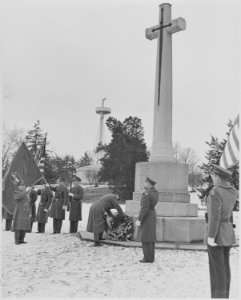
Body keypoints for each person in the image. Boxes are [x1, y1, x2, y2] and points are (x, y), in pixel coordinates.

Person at [206, 164, 238, 298]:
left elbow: (214, 217)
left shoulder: (216, 191)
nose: (212, 178)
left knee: (216, 269)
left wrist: (211, 236)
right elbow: (228, 213)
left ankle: (218, 296)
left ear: (218, 176)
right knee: (224, 267)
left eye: (213, 175)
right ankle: (224, 295)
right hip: (227, 232)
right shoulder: (233, 191)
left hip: (217, 234)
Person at [135, 176, 158, 263]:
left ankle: (147, 258)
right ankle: (151, 257)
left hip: (147, 216)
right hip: (152, 214)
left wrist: (139, 219)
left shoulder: (146, 193)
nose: (144, 184)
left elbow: (144, 208)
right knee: (151, 237)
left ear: (148, 183)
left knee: (145, 238)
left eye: (145, 182)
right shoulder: (155, 192)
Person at [11, 180, 32, 245]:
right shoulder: (16, 192)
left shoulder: (26, 193)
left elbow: (28, 202)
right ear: (18, 187)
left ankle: (21, 239)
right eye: (21, 186)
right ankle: (16, 240)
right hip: (19, 211)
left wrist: (29, 211)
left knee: (24, 225)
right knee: (18, 225)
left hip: (25, 211)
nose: (23, 187)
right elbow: (18, 197)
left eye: (24, 185)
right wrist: (26, 191)